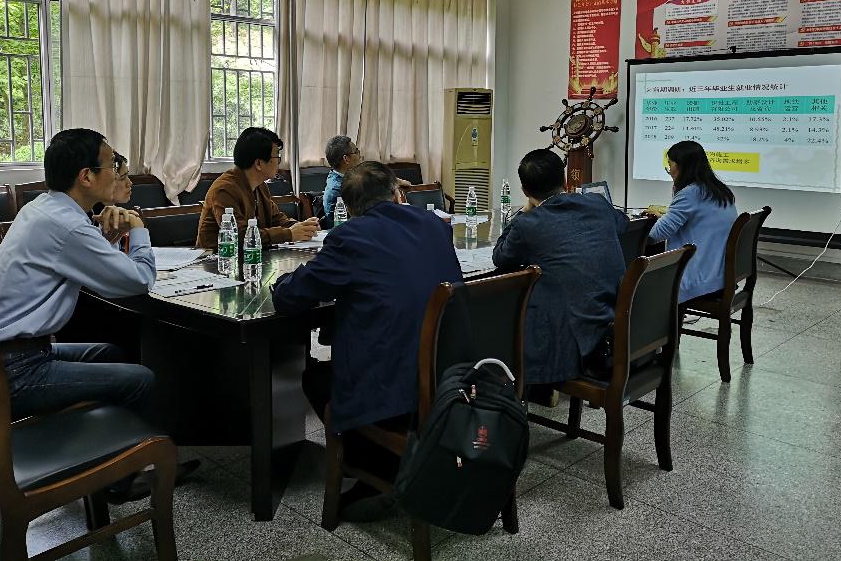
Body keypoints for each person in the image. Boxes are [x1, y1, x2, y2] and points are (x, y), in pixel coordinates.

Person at [0, 128, 198, 501]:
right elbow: (138, 280)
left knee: (108, 353)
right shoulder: (67, 224)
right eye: (113, 164)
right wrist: (138, 228)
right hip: (15, 370)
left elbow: (76, 258)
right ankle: (119, 481)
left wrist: (105, 240)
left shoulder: (43, 208)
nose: (118, 171)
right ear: (86, 176)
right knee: (141, 380)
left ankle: (107, 456)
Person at [272, 161, 462, 516]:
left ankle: (378, 466)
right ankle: (387, 458)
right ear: (397, 193)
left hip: (394, 386)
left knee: (315, 377)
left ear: (351, 208)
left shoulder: (350, 237)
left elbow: (292, 296)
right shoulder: (435, 225)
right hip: (449, 373)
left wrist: (281, 282)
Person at [492, 149, 628, 388]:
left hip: (572, 342)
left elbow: (501, 257)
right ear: (565, 180)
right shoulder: (598, 204)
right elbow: (622, 223)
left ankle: (514, 382)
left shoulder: (529, 224)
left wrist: (524, 211)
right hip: (614, 326)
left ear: (525, 191)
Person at [649, 140, 738, 319]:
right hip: (720, 276)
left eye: (670, 165)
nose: (669, 171)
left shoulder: (690, 193)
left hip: (700, 281)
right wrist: (666, 217)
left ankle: (656, 334)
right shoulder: (718, 191)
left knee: (637, 282)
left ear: (682, 166)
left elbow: (655, 235)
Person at [196, 127, 319, 248]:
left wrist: (304, 227)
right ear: (259, 164)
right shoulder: (224, 190)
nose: (278, 163)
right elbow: (239, 236)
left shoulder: (260, 186)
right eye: (277, 158)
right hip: (217, 258)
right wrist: (288, 234)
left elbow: (277, 219)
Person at [322, 135, 412, 227]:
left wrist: (394, 181)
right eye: (356, 152)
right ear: (346, 159)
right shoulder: (341, 189)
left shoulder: (338, 178)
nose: (360, 156)